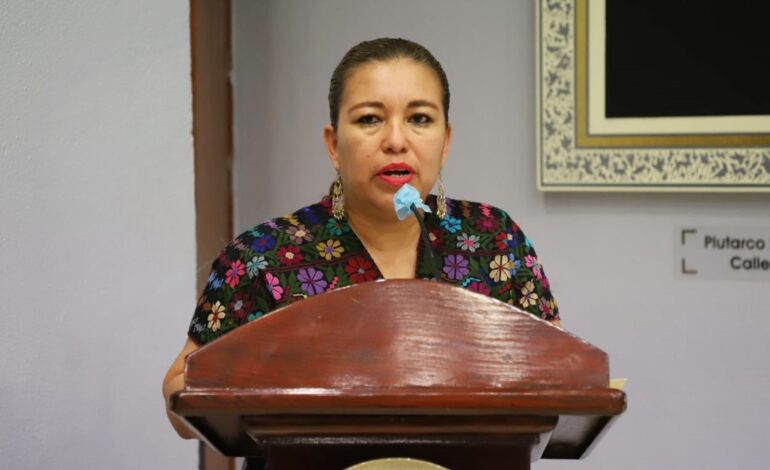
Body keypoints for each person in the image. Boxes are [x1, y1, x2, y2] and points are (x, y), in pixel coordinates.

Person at [163, 36, 560, 453]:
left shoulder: (493, 241)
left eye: (420, 119)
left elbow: (560, 368)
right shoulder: (264, 256)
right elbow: (181, 394)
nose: (395, 140)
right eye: (370, 119)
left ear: (445, 142)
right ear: (334, 145)